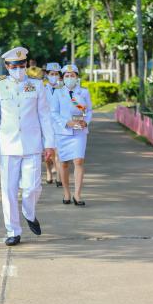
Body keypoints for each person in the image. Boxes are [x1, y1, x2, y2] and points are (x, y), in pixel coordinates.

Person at [0, 47, 55, 246]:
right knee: (8, 191)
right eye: (14, 66)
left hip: (32, 144)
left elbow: (45, 115)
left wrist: (49, 143)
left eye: (22, 66)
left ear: (26, 65)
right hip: (8, 145)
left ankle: (29, 212)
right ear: (7, 66)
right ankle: (13, 231)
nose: (18, 69)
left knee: (32, 188)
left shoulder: (36, 85)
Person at [51, 64, 93, 206]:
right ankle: (67, 193)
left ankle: (77, 195)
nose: (70, 78)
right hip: (63, 132)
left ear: (77, 77)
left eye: (72, 75)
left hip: (79, 131)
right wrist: (65, 122)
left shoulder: (83, 92)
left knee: (79, 161)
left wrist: (85, 122)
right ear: (63, 78)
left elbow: (89, 111)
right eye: (67, 76)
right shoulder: (57, 93)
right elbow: (53, 112)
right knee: (63, 164)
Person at [43, 62, 63, 187]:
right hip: (45, 124)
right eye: (51, 74)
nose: (54, 76)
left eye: (56, 74)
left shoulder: (63, 89)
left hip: (59, 124)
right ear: (47, 74)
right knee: (47, 153)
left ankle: (59, 177)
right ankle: (48, 171)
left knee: (58, 152)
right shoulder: (41, 88)